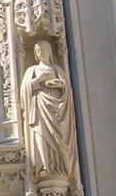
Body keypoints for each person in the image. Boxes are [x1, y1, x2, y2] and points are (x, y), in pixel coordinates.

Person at [20, 40, 77, 182]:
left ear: (49, 52)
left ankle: (58, 168)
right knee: (41, 134)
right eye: (38, 51)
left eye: (43, 50)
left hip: (57, 109)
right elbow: (24, 91)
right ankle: (44, 167)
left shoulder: (57, 69)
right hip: (39, 105)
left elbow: (67, 90)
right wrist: (38, 80)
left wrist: (60, 85)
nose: (41, 53)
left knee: (57, 137)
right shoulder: (31, 70)